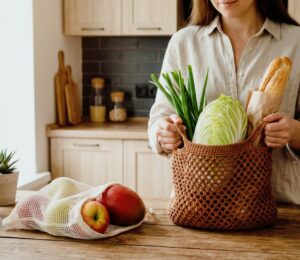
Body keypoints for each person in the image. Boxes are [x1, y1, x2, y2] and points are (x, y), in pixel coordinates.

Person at [148, 0, 300, 204]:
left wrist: (293, 131)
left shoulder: (296, 42)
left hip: (279, 209)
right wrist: (162, 133)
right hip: (200, 206)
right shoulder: (183, 43)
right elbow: (158, 120)